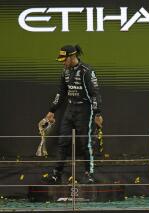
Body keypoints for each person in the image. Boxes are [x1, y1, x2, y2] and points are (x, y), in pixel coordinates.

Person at [44, 44, 103, 184]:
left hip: (85, 110)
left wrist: (97, 113)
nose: (63, 62)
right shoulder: (65, 72)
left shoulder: (86, 71)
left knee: (85, 143)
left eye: (65, 59)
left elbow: (95, 94)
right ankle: (56, 174)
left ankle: (89, 174)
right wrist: (52, 110)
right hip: (69, 109)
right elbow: (61, 93)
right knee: (63, 142)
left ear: (72, 56)